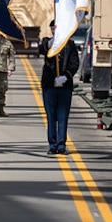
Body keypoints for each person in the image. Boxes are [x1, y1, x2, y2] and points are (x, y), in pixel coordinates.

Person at [39, 20, 80, 155]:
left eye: (57, 28)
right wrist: (50, 44)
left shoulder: (70, 44)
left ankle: (61, 144)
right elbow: (41, 49)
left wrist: (66, 76)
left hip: (64, 85)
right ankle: (52, 144)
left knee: (62, 116)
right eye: (53, 28)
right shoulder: (48, 42)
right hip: (50, 85)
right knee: (51, 115)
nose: (55, 30)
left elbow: (74, 63)